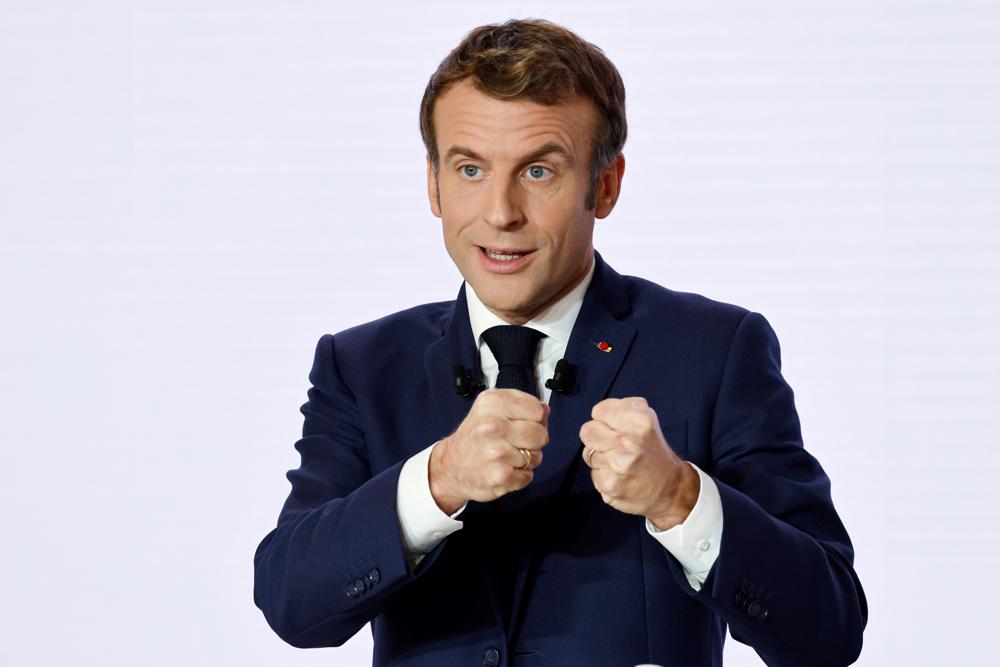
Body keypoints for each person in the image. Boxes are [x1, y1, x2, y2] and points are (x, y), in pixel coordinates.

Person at [253, 18, 867, 666]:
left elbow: (827, 630)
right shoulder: (361, 366)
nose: (500, 212)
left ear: (604, 185)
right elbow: (294, 603)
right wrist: (438, 479)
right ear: (432, 183)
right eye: (469, 168)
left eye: (539, 171)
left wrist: (680, 497)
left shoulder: (716, 349)